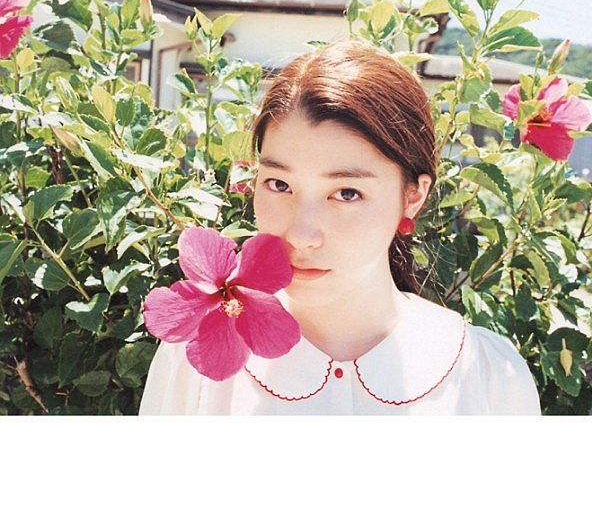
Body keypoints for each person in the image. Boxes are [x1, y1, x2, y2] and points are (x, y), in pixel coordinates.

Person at [139, 40, 541, 416]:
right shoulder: (193, 369)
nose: (300, 235)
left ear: (413, 196)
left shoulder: (489, 378)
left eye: (347, 193)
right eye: (279, 184)